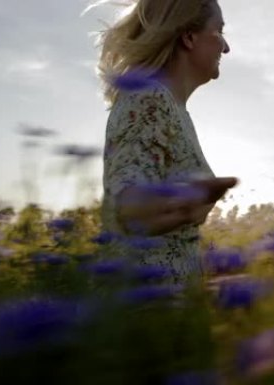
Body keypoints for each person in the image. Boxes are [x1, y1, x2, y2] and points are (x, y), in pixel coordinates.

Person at [94, 0, 238, 283]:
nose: (226, 47)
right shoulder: (149, 99)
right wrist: (183, 203)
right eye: (219, 31)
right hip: (147, 308)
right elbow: (127, 203)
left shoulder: (174, 109)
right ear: (189, 36)